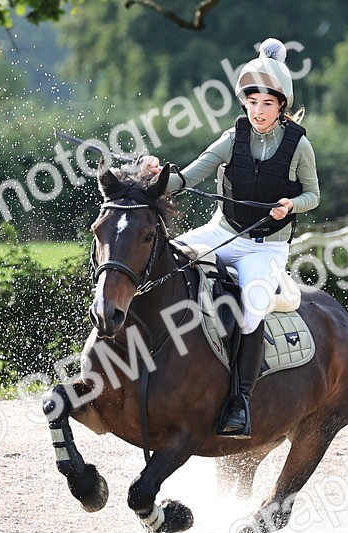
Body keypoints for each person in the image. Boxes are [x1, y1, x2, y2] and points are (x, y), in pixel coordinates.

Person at [141, 38, 320, 439]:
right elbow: (188, 176)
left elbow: (314, 195)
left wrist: (291, 205)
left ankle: (240, 400)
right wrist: (154, 175)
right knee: (166, 264)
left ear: (281, 106)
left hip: (266, 246)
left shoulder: (300, 146)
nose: (258, 111)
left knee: (253, 310)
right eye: (252, 102)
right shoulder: (231, 137)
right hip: (222, 231)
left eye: (267, 103)